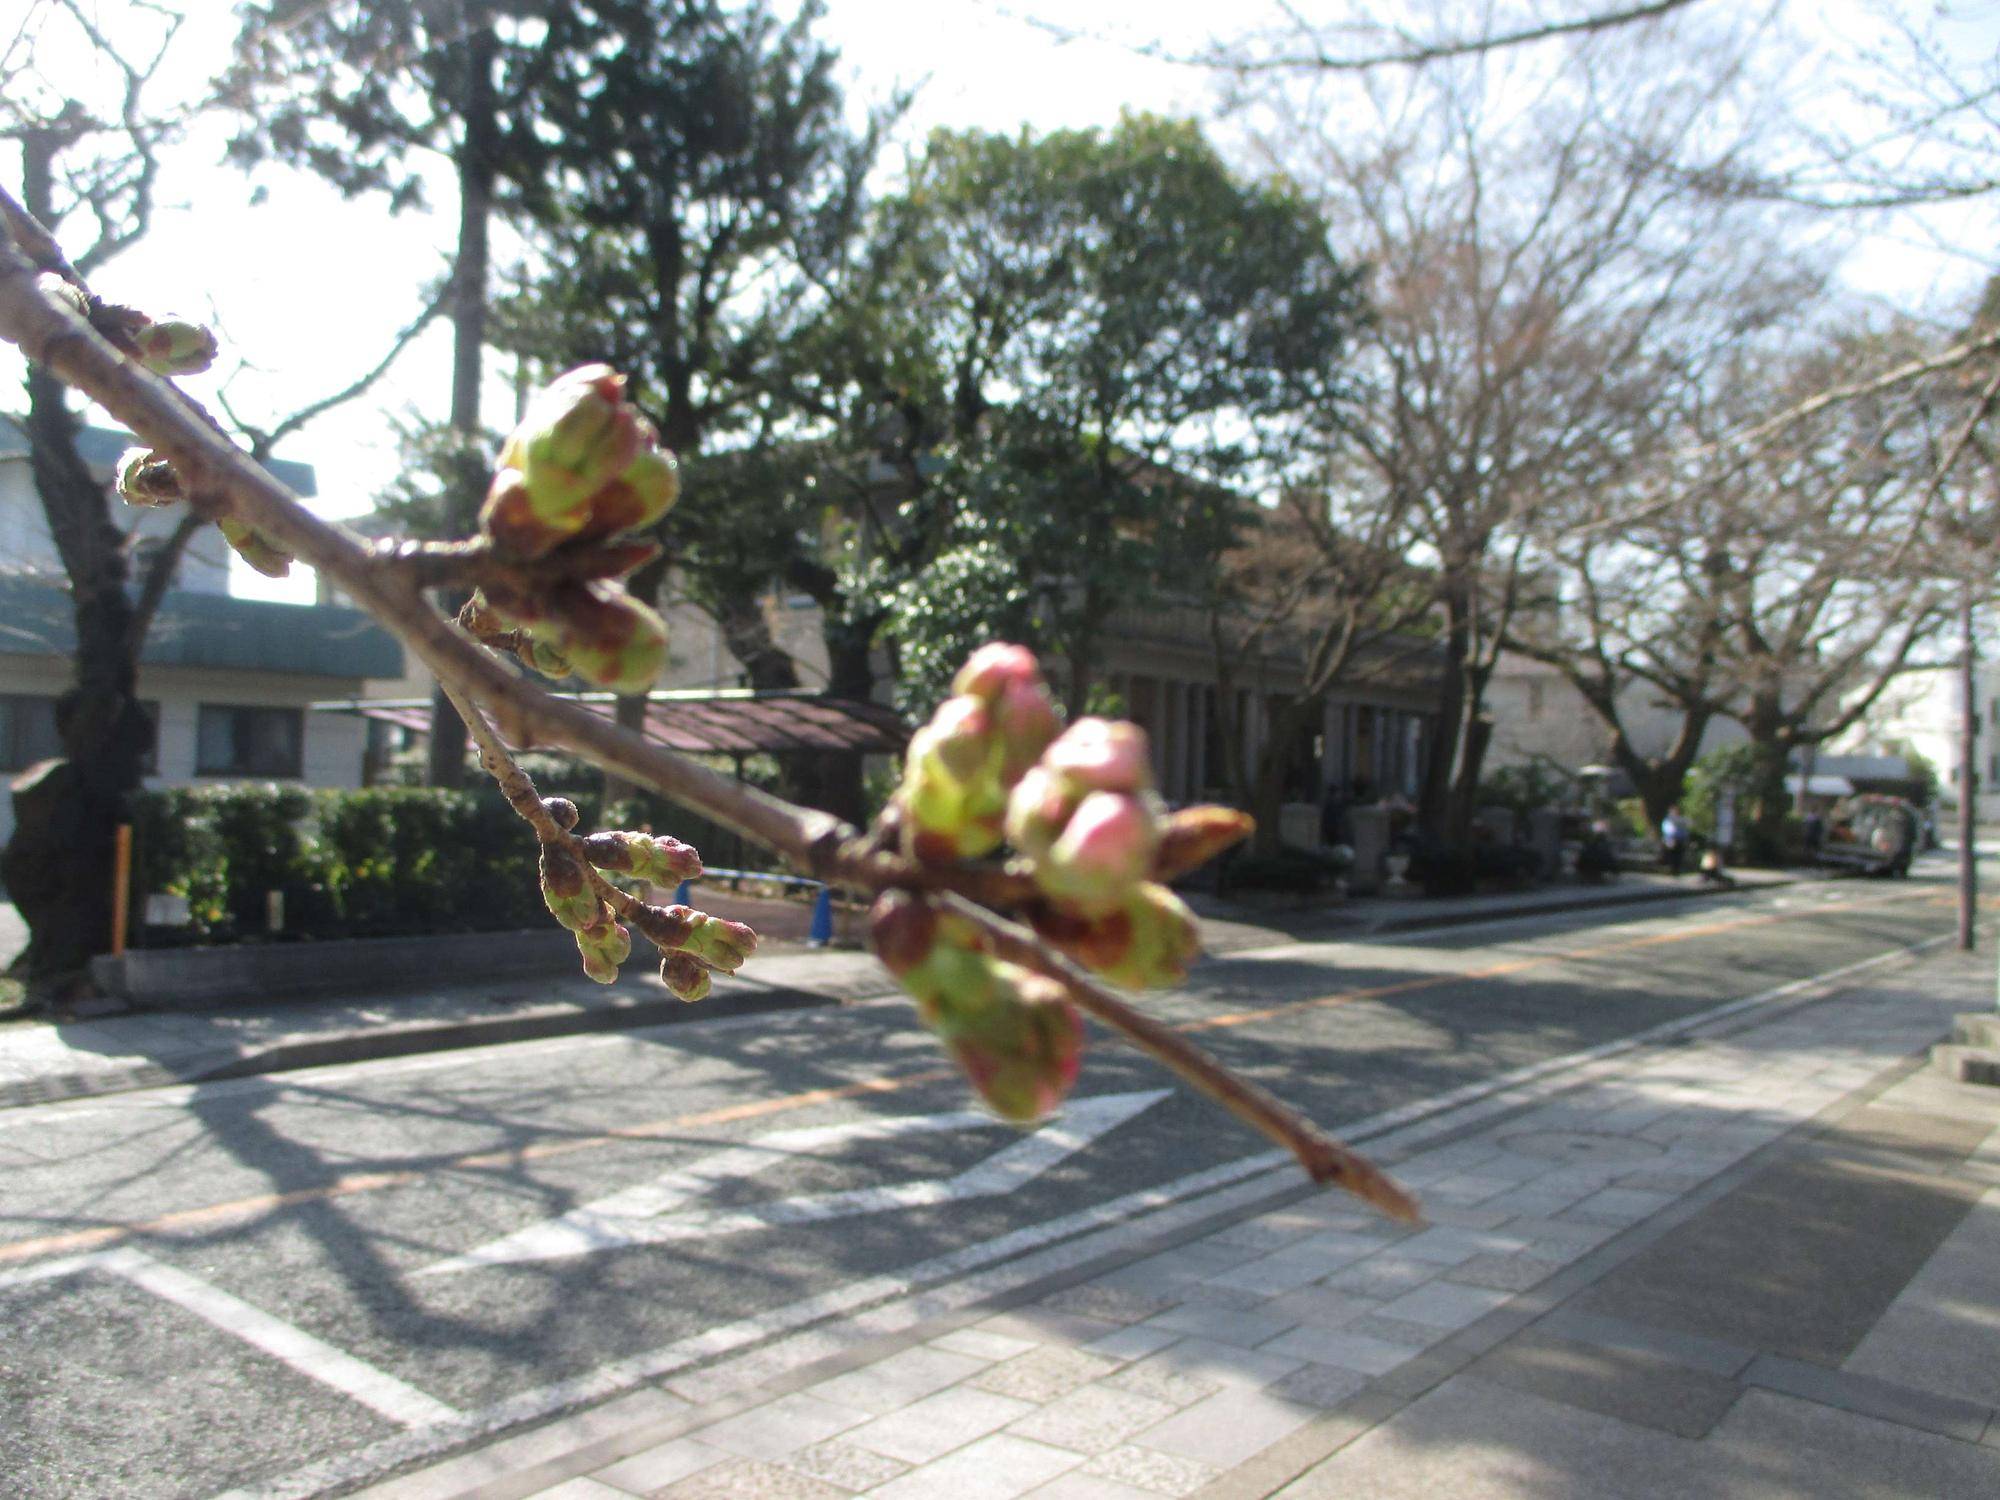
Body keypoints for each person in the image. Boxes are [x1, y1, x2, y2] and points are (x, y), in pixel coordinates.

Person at [1660, 805, 1691, 875]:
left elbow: (1686, 829)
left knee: (1679, 855)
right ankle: (1671, 869)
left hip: (1680, 840)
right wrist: (1670, 838)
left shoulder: (1682, 819)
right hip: (1671, 840)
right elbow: (1667, 830)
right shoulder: (1668, 820)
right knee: (1671, 855)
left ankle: (1676, 870)